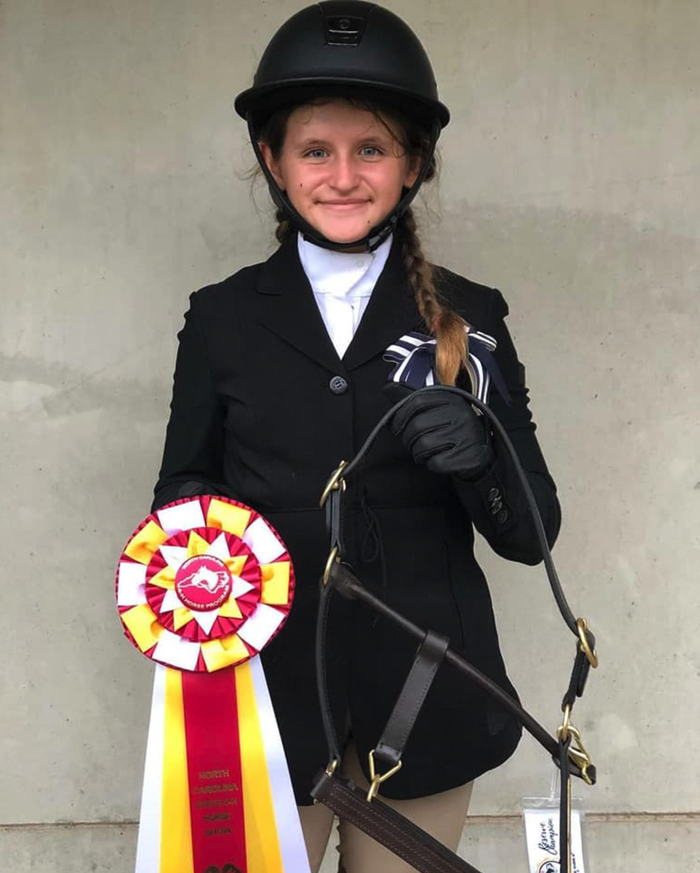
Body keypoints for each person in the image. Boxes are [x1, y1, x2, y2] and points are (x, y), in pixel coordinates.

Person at [152, 3, 561, 871]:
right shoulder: (220, 319)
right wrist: (195, 561)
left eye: (370, 149)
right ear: (273, 160)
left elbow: (530, 534)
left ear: (412, 164)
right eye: (316, 150)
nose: (343, 175)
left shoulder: (471, 315)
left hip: (426, 699)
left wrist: (481, 457)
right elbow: (179, 492)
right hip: (264, 707)